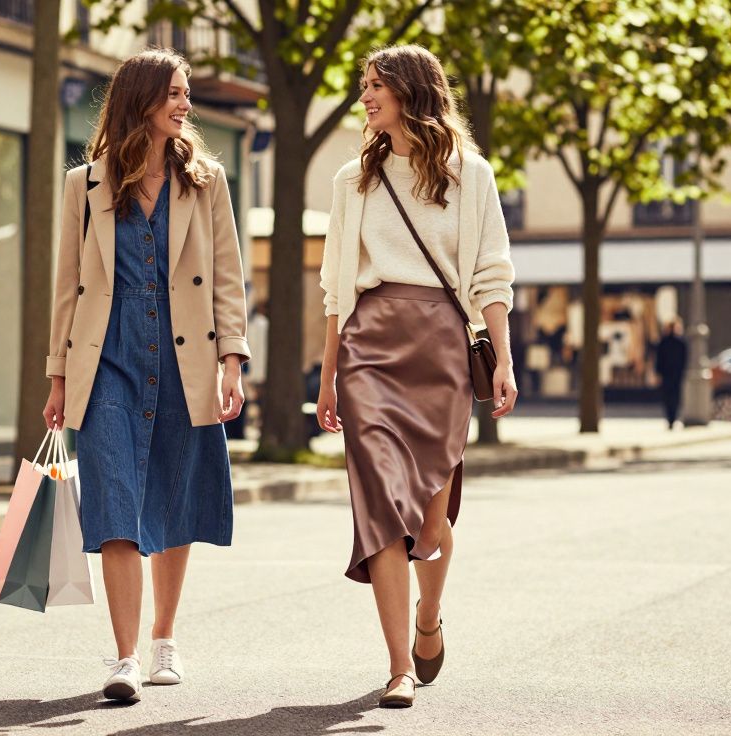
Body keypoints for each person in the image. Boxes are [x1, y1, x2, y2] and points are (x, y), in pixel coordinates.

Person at [43, 48, 249, 703]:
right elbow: (68, 286)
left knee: (175, 492)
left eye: (186, 93)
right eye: (174, 94)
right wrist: (57, 378)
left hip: (185, 354)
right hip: (107, 360)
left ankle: (164, 638)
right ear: (142, 100)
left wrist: (233, 362)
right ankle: (124, 656)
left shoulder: (207, 179)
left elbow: (226, 275)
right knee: (115, 506)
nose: (185, 105)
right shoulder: (87, 184)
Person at [315, 45, 517, 709]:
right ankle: (398, 665)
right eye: (363, 85)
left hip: (441, 346)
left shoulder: (470, 173)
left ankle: (430, 616)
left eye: (375, 85)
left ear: (410, 91)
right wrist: (327, 374)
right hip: (369, 346)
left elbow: (490, 271)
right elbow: (335, 289)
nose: (365, 96)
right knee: (380, 510)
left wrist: (505, 358)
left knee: (429, 520)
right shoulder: (352, 181)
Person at [655, 318, 689, 429]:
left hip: (670, 374)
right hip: (673, 374)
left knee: (669, 397)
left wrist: (658, 372)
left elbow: (659, 359)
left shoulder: (671, 342)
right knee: (673, 397)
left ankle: (671, 418)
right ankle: (672, 418)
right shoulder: (676, 342)